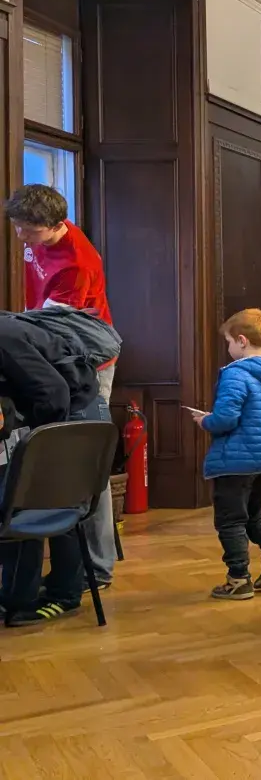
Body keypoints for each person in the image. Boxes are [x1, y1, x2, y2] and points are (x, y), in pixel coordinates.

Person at [8, 183, 118, 590]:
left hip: (86, 361)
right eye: (17, 227)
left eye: (27, 231)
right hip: (48, 349)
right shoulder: (38, 231)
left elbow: (50, 330)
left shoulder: (78, 263)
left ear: (54, 226)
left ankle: (98, 568)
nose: (21, 237)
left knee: (85, 460)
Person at [0, 308, 113, 626]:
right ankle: (25, 594)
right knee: (46, 502)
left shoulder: (3, 336)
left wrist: (35, 440)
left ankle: (64, 595)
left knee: (52, 503)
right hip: (78, 412)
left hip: (74, 416)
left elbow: (54, 394)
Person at [194, 310, 261, 600]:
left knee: (229, 519)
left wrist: (205, 421)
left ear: (241, 341)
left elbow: (226, 419)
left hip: (236, 459)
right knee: (251, 509)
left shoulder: (236, 373)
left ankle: (238, 579)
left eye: (228, 342)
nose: (228, 349)